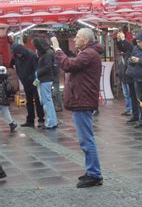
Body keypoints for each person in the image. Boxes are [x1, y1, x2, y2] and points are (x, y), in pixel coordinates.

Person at [51, 28, 103, 188]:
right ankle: (91, 171)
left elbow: (67, 64)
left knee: (86, 139)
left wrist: (57, 49)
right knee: (85, 138)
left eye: (77, 37)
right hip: (82, 100)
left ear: (86, 40)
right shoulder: (88, 53)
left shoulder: (89, 54)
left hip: (83, 100)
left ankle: (94, 174)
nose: (74, 39)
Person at [116, 31, 142, 128]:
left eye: (140, 42)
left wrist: (139, 60)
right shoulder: (136, 49)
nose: (138, 44)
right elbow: (131, 60)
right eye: (137, 42)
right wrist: (131, 61)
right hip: (137, 79)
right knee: (141, 101)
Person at [11, 43, 45, 128]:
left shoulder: (32, 55)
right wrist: (22, 79)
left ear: (22, 51)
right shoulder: (16, 58)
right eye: (16, 54)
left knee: (37, 101)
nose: (18, 55)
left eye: (19, 53)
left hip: (34, 82)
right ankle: (30, 120)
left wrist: (33, 80)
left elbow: (36, 69)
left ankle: (41, 120)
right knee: (29, 101)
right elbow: (18, 69)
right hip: (25, 82)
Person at [32, 37, 58, 129]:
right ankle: (52, 121)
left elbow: (48, 67)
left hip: (45, 80)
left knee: (47, 101)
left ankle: (51, 122)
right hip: (46, 80)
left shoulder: (46, 54)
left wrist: (37, 73)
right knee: (47, 101)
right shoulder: (47, 52)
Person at [115, 31, 140, 123]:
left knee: (137, 97)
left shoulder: (136, 49)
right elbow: (122, 48)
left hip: (136, 77)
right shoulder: (130, 50)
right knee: (132, 96)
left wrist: (123, 39)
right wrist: (119, 40)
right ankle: (135, 114)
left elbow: (131, 47)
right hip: (128, 76)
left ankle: (140, 115)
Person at [0, 66, 17, 132]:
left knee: (5, 111)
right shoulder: (6, 81)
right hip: (4, 99)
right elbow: (9, 90)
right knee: (6, 112)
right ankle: (11, 124)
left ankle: (12, 123)